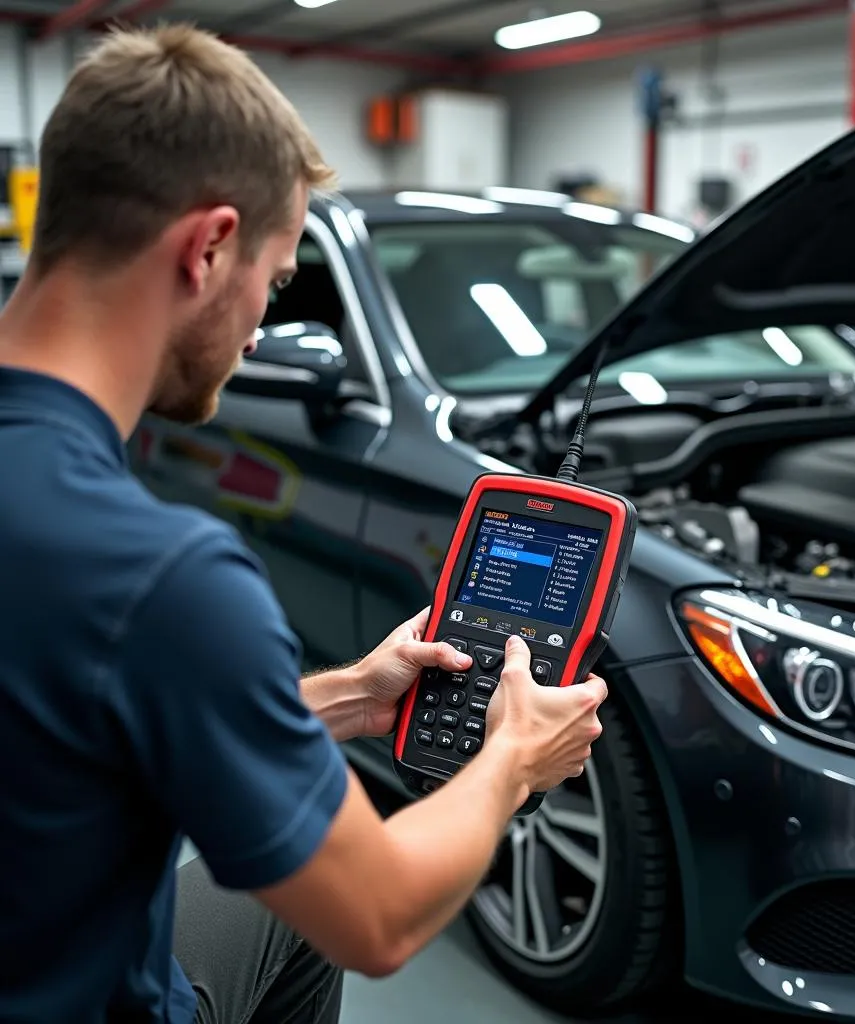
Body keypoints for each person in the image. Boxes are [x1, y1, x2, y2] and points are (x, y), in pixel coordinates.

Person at [0, 22, 608, 1024]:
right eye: (276, 283)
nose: (259, 328)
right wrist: (510, 761)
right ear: (208, 247)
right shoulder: (160, 577)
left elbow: (77, 716)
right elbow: (377, 918)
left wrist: (350, 700)